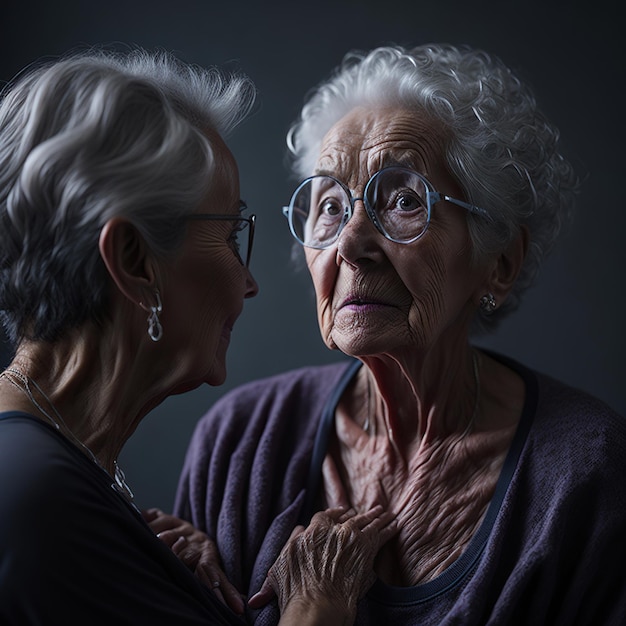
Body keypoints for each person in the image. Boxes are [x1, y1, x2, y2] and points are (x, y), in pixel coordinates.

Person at [170, 44, 626, 625]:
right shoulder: (240, 445)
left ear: (500, 264)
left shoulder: (586, 476)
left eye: (405, 201)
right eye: (329, 206)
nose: (352, 243)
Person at [0, 47, 396, 625]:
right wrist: (317, 602)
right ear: (135, 260)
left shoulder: (55, 475)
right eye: (232, 237)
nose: (249, 283)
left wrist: (151, 577)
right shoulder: (36, 502)